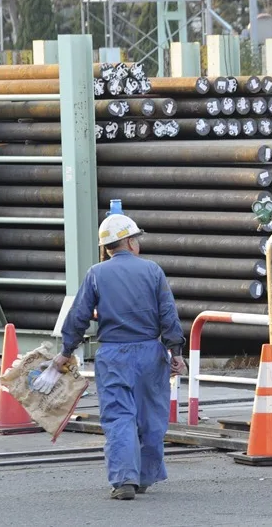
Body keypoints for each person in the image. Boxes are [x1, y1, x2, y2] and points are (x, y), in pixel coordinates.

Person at [43, 213, 187, 500]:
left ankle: (124, 480)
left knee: (119, 416)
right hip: (150, 353)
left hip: (113, 355)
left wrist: (66, 352)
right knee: (151, 417)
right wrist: (176, 352)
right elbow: (168, 314)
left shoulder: (96, 274)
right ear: (130, 242)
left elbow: (79, 316)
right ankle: (145, 476)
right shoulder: (153, 271)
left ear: (107, 247)